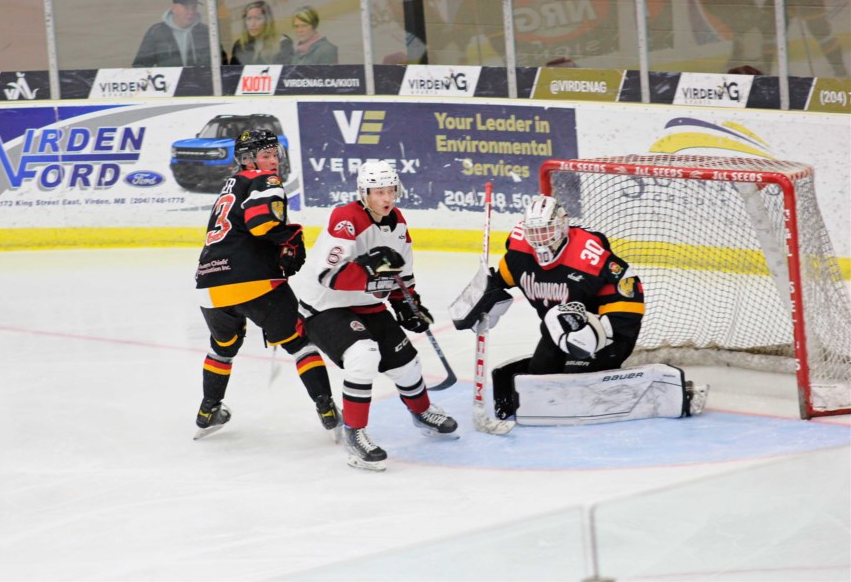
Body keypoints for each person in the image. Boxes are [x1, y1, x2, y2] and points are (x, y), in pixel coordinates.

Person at [452, 194, 708, 423]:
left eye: (547, 229)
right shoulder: (519, 255)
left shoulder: (588, 255)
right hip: (559, 328)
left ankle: (660, 389)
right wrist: (483, 296)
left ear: (562, 225)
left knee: (575, 376)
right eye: (534, 231)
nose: (540, 238)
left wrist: (605, 332)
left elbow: (630, 288)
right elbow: (500, 281)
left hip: (604, 326)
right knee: (540, 374)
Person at [295, 161, 458, 471]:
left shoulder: (398, 223)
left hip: (368, 305)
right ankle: (355, 434)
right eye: (378, 192)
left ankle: (422, 412)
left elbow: (401, 276)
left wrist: (408, 304)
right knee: (363, 354)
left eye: (390, 191)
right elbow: (327, 276)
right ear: (364, 193)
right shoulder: (346, 219)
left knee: (406, 362)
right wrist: (365, 267)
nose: (386, 198)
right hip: (325, 308)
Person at [193, 129, 341, 440]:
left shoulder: (229, 187)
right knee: (299, 341)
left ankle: (208, 410)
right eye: (266, 155)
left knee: (222, 348)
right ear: (248, 160)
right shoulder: (263, 181)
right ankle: (326, 407)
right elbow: (261, 224)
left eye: (275, 155)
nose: (273, 162)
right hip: (253, 282)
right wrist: (289, 237)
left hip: (209, 283)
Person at [133, 0, 217, 68]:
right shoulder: (157, 32)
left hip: (201, 81)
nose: (191, 12)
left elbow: (221, 63)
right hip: (169, 82)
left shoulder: (206, 32)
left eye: (194, 7)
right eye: (186, 7)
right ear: (174, 8)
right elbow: (140, 66)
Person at [229, 0, 293, 65]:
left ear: (267, 21)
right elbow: (233, 73)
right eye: (249, 19)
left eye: (258, 18)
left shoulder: (282, 43)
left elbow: (286, 72)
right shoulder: (240, 45)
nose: (252, 24)